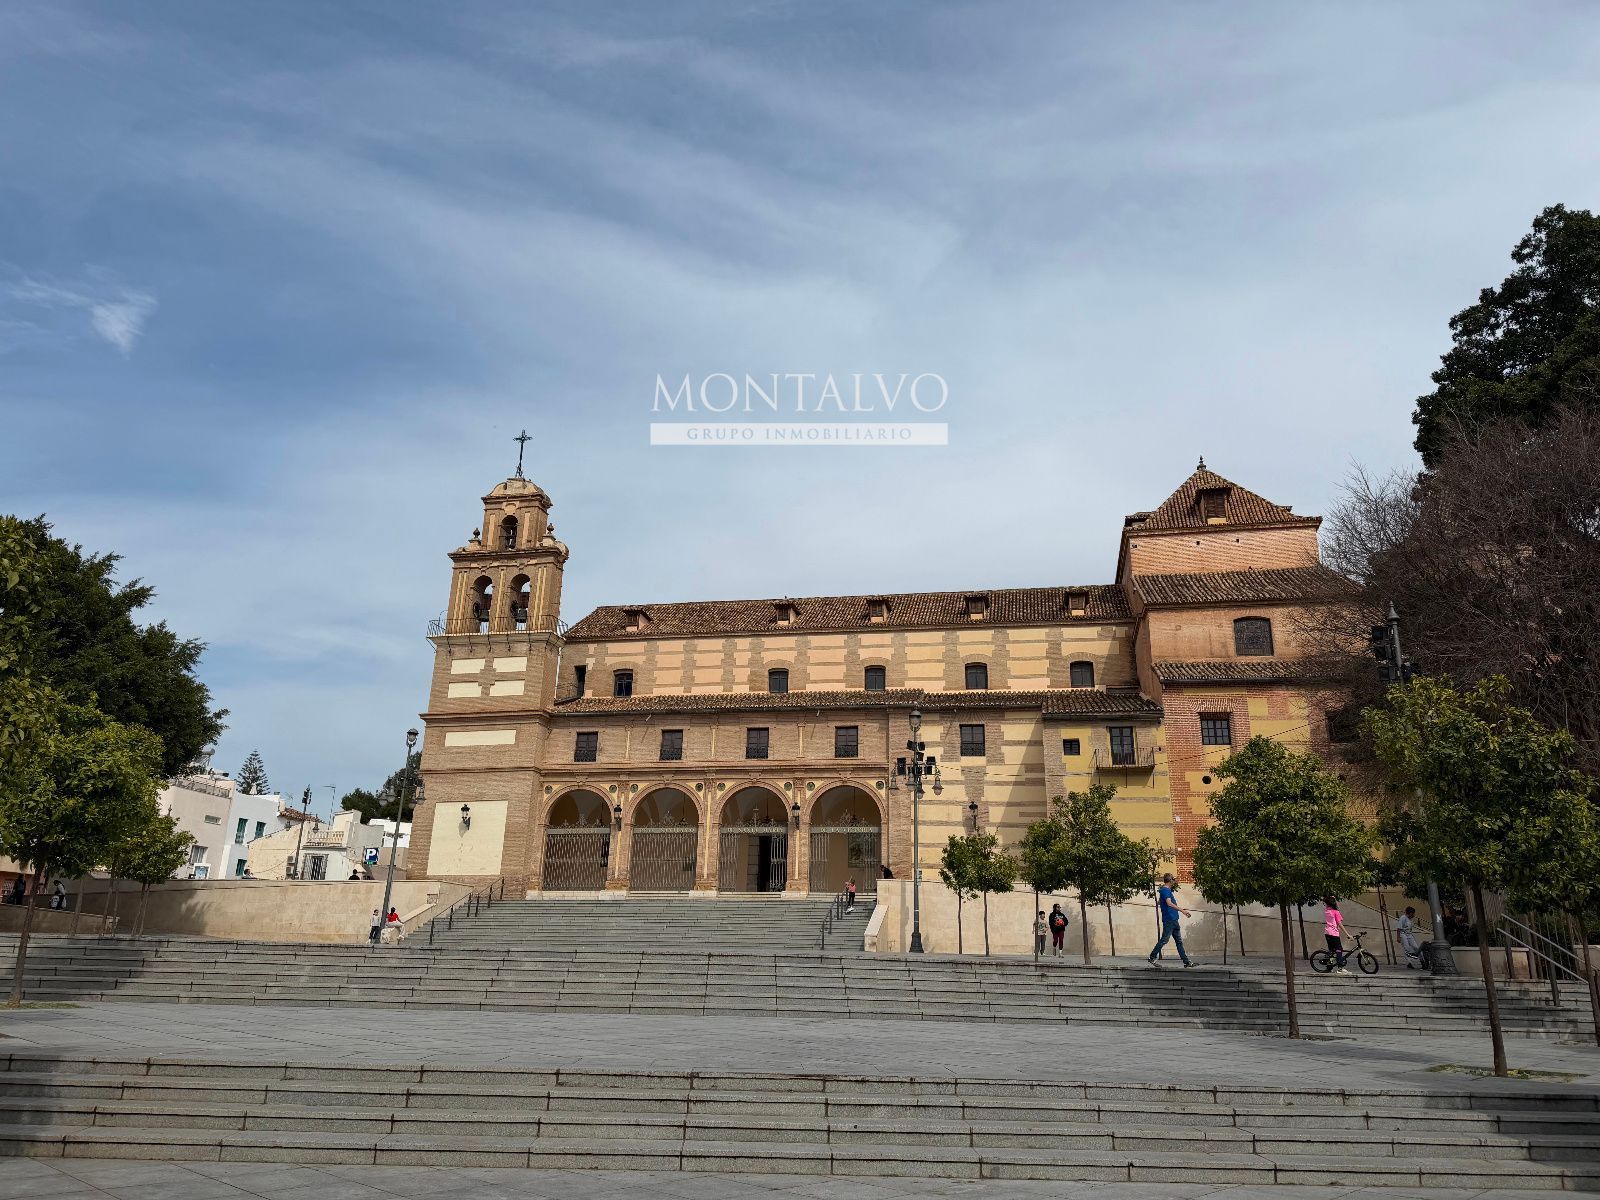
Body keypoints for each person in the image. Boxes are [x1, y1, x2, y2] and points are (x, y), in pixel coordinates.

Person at [1147, 874, 1194, 968]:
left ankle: (1186, 962)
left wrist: (1172, 907)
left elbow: (1160, 902)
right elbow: (1169, 903)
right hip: (1170, 920)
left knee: (1179, 942)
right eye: (1173, 880)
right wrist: (1182, 910)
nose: (1174, 882)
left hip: (1174, 920)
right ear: (1170, 881)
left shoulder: (1164, 890)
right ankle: (1152, 957)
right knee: (1165, 939)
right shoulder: (1165, 890)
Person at [1324, 897, 1351, 975]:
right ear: (1334, 903)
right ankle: (1340, 968)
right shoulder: (1336, 912)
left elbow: (1327, 904)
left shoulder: (1327, 911)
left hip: (1327, 933)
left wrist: (1332, 899)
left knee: (1331, 951)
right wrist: (1347, 934)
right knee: (1339, 949)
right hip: (1334, 934)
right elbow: (1340, 924)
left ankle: (1329, 967)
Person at [1396, 905, 1425, 969]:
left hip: (1409, 934)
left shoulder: (1411, 919)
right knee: (1406, 949)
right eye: (1413, 913)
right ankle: (1409, 963)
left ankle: (1422, 961)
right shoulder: (1403, 918)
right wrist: (1398, 937)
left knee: (1416, 947)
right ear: (1410, 913)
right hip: (1403, 934)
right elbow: (1398, 928)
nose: (1414, 915)